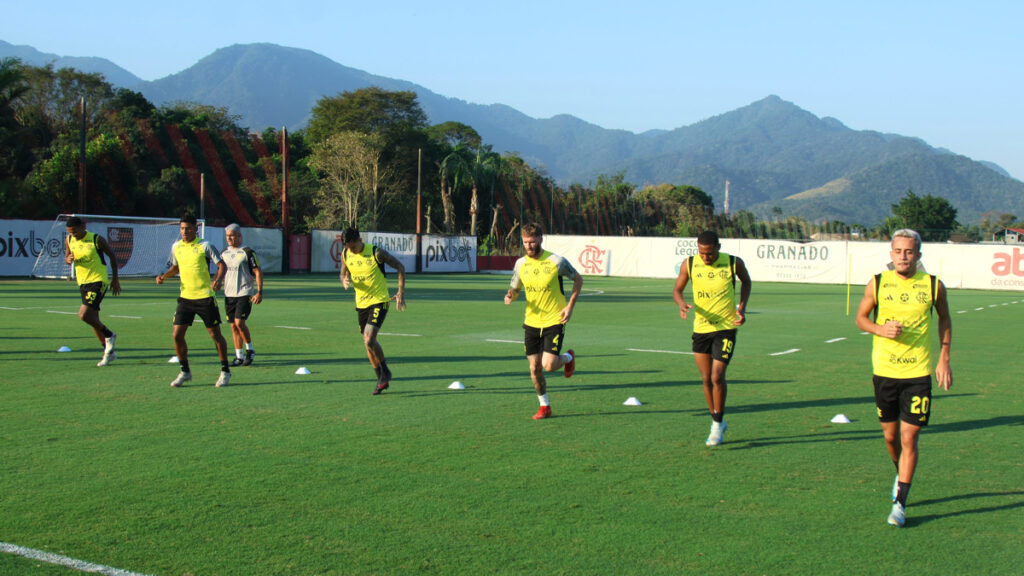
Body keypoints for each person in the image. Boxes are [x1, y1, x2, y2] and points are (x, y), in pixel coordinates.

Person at [855, 229, 952, 527]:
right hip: (884, 372)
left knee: (910, 436)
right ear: (891, 253)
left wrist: (944, 358)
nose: (903, 256)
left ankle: (900, 504)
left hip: (918, 374)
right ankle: (900, 471)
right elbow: (860, 318)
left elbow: (945, 319)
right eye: (898, 251)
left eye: (909, 252)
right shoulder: (878, 283)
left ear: (918, 255)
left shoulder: (933, 286)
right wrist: (879, 329)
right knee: (890, 436)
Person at [672, 230, 752, 446]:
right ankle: (716, 418)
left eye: (709, 253)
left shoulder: (733, 263)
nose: (706, 258)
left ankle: (716, 425)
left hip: (726, 327)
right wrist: (681, 304)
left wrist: (742, 308)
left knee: (717, 376)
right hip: (701, 328)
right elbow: (677, 290)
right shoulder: (689, 264)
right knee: (706, 378)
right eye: (702, 253)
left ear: (718, 247)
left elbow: (746, 282)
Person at [504, 222, 583, 420]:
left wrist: (569, 307)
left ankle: (568, 358)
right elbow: (515, 288)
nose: (529, 246)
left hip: (554, 319)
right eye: (525, 243)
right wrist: (510, 297)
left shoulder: (556, 261)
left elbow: (578, 279)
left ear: (540, 239)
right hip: (531, 322)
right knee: (534, 368)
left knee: (548, 365)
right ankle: (544, 406)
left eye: (532, 242)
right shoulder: (521, 264)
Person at [156, 214, 232, 388]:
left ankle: (225, 371)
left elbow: (222, 265)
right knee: (177, 335)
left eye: (188, 228)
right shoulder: (176, 247)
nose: (184, 231)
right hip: (185, 298)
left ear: (195, 229)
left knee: (215, 335)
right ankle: (185, 371)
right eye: (182, 228)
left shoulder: (205, 246)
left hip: (205, 298)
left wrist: (218, 280)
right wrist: (164, 276)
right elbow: (176, 267)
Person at [338, 227, 406, 395]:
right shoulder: (346, 255)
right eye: (348, 247)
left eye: (353, 246)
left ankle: (386, 371)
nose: (351, 250)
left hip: (379, 301)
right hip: (361, 304)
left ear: (360, 240)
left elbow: (400, 266)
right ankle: (380, 378)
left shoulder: (377, 253)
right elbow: (342, 273)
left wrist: (400, 293)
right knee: (367, 345)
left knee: (369, 339)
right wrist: (344, 280)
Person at [63, 216, 121, 366]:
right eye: (70, 232)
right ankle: (109, 353)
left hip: (98, 280)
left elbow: (112, 257)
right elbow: (67, 257)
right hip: (83, 283)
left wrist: (115, 279)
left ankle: (109, 335)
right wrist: (68, 260)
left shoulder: (96, 240)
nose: (73, 234)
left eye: (75, 231)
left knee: (84, 314)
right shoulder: (69, 240)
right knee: (93, 319)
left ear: (83, 227)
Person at [221, 224, 263, 366]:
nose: (229, 238)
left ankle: (250, 349)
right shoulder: (224, 253)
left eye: (232, 235)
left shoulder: (247, 252)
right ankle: (238, 356)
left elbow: (257, 271)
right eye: (227, 236)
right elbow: (222, 272)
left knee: (239, 322)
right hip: (229, 294)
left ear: (239, 235)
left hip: (244, 293)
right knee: (233, 326)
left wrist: (259, 291)